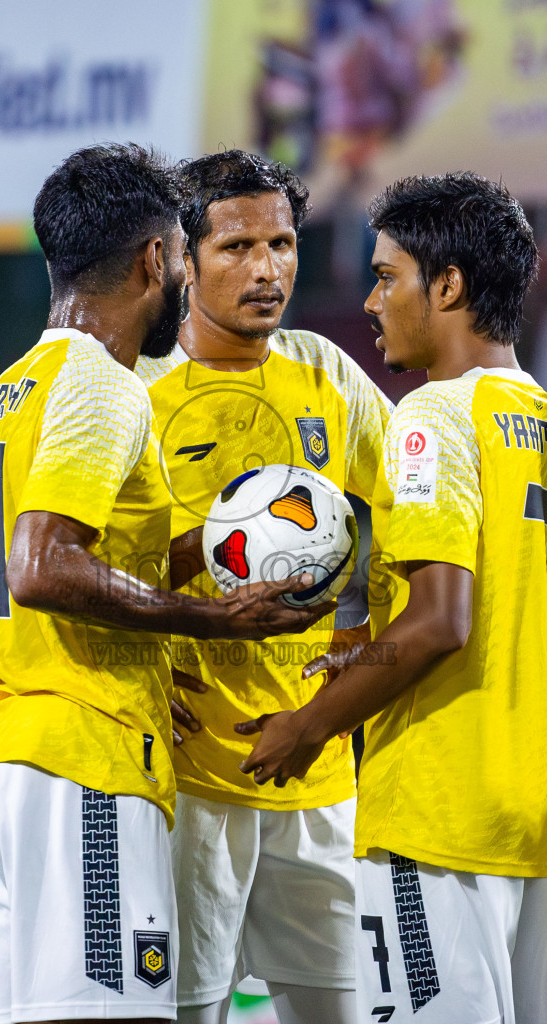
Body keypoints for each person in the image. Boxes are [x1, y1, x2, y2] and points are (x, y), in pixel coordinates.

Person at [0, 143, 326, 1024]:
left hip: (12, 762)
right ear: (155, 261)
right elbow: (44, 563)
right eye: (185, 252)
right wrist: (211, 621)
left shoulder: (20, 384)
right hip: (87, 767)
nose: (185, 271)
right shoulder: (106, 385)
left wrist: (100, 620)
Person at [239, 172, 547, 1022]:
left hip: (436, 811)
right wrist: (367, 647)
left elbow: (440, 621)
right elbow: (494, 615)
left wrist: (307, 728)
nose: (370, 299)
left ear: (449, 285)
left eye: (387, 275)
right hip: (531, 812)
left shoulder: (429, 419)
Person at [136, 150, 392, 1024]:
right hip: (189, 778)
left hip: (318, 774)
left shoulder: (326, 372)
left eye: (282, 244)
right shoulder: (135, 391)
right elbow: (58, 560)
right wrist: (131, 662)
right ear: (181, 258)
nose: (267, 268)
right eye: (238, 246)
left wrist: (362, 631)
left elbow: (401, 514)